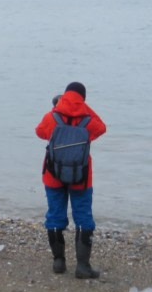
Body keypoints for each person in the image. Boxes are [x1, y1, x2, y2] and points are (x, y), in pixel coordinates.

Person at [35, 81, 107, 278]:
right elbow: (102, 128)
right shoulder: (88, 119)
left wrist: (58, 107)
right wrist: (83, 108)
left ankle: (59, 262)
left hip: (53, 174)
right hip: (81, 176)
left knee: (55, 215)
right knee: (83, 217)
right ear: (83, 98)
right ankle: (82, 266)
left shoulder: (52, 116)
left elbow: (40, 132)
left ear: (65, 95)